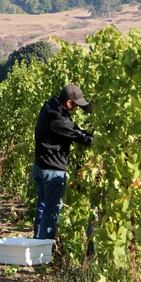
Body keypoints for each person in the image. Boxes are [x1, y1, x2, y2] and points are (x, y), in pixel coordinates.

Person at [33, 84, 94, 240]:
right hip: (53, 171)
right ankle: (44, 249)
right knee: (52, 210)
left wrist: (86, 107)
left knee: (42, 206)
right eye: (75, 104)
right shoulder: (59, 121)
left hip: (40, 166)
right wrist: (99, 140)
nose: (76, 107)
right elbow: (81, 137)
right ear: (68, 103)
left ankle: (37, 242)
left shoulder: (49, 106)